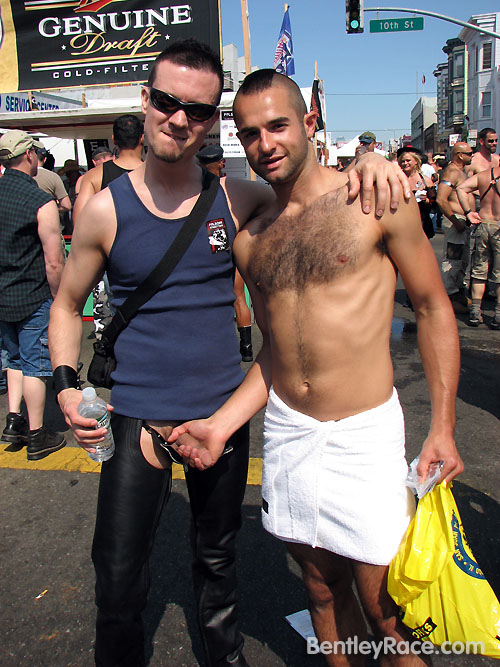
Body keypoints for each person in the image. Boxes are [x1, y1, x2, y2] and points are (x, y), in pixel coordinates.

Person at [48, 40, 409, 667]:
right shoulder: (104, 210)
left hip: (222, 414)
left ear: (211, 120)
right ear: (146, 100)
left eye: (197, 110)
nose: (178, 119)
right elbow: (64, 305)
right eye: (167, 102)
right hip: (135, 416)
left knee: (218, 560)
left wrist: (370, 164)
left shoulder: (239, 200)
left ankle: (226, 658)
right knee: (117, 571)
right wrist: (64, 385)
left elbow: (310, 196)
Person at [169, 69, 463, 666]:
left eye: (278, 126)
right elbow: (275, 353)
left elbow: (434, 308)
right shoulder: (252, 237)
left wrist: (443, 427)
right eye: (250, 134)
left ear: (309, 124)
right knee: (321, 588)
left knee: (387, 609)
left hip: (364, 433)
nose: (266, 144)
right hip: (290, 432)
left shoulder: (375, 199)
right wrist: (221, 426)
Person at [0, 130, 66, 459]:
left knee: (13, 358)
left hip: (2, 294)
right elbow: (54, 262)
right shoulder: (39, 201)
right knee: (35, 366)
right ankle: (38, 434)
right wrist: (61, 300)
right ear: (28, 155)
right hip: (32, 292)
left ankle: (14, 420)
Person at [74, 115, 144, 340]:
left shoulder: (95, 176)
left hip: (113, 261)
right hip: (153, 259)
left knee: (117, 320)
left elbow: (80, 223)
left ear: (114, 139)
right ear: (142, 138)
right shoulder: (157, 174)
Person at [197, 144, 254, 361]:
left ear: (199, 164)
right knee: (239, 298)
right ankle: (246, 348)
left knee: (213, 297)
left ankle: (217, 346)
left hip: (212, 248)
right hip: (235, 243)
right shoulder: (233, 188)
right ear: (222, 163)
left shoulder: (196, 190)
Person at [457, 165, 500, 330]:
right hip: (498, 227)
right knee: (499, 274)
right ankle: (498, 315)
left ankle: (475, 312)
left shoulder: (485, 175)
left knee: (479, 271)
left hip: (483, 224)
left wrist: (468, 212)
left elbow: (461, 188)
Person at [436, 142, 474, 313]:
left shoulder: (461, 172)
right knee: (453, 261)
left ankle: (457, 292)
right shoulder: (452, 172)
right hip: (455, 222)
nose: (471, 156)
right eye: (469, 153)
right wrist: (455, 220)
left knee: (462, 261)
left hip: (462, 222)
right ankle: (450, 295)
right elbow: (441, 199)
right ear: (460, 155)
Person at [397, 148, 435, 239]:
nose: (405, 163)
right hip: (402, 221)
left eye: (408, 160)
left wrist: (426, 200)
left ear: (416, 162)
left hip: (422, 221)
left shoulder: (425, 180)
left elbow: (434, 203)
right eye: (403, 161)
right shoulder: (396, 179)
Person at [34, 147, 72, 215]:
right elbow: (66, 205)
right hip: (48, 217)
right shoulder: (53, 177)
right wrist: (51, 210)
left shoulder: (21, 176)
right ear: (45, 159)